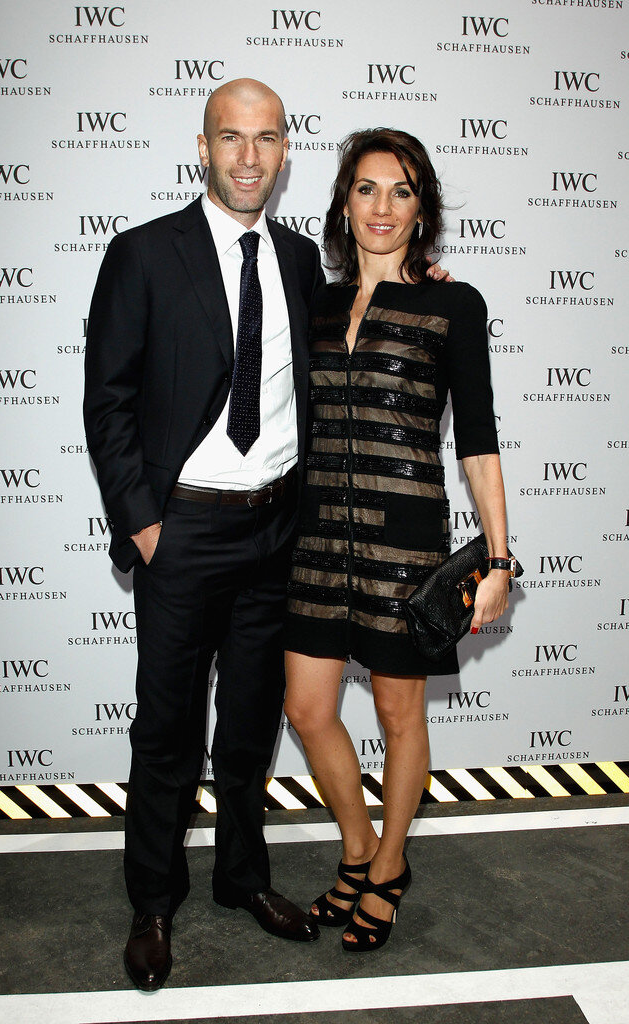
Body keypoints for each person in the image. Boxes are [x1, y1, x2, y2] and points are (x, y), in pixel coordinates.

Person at [85, 82, 451, 989]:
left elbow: (365, 324)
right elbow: (109, 399)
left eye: (266, 139)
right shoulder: (143, 253)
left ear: (286, 152)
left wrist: (426, 292)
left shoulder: (297, 262)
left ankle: (242, 877)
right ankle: (153, 901)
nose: (248, 157)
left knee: (250, 727)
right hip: (183, 530)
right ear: (203, 146)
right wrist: (145, 523)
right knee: (167, 731)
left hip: (278, 531)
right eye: (231, 138)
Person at [284, 128, 512, 952]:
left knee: (395, 710)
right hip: (314, 537)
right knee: (307, 709)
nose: (382, 206)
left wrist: (497, 558)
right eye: (366, 189)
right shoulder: (313, 302)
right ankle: (356, 848)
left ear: (422, 211)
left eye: (401, 190)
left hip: (405, 542)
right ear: (343, 204)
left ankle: (387, 867)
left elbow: (476, 439)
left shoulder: (453, 305)